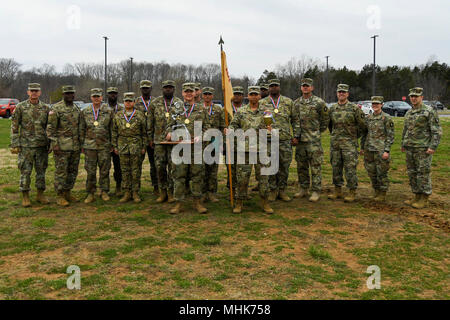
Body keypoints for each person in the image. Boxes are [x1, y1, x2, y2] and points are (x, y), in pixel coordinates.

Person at [165, 83, 210, 214]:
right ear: (182, 93)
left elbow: (207, 127)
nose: (189, 94)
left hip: (196, 149)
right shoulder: (175, 109)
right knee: (179, 176)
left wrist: (201, 136)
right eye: (186, 92)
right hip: (180, 149)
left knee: (197, 175)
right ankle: (178, 203)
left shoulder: (201, 109)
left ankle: (197, 203)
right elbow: (168, 126)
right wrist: (169, 134)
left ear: (195, 93)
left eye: (191, 91)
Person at [227, 86, 273, 214]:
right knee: (242, 178)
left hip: (261, 150)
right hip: (244, 150)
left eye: (256, 94)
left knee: (264, 178)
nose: (253, 96)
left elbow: (272, 126)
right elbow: (233, 125)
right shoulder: (241, 111)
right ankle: (239, 202)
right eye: (251, 94)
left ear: (259, 96)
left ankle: (265, 202)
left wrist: (270, 129)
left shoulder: (266, 112)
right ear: (248, 96)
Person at [10, 83, 50, 207]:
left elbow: (49, 127)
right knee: (25, 171)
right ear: (28, 92)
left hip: (41, 146)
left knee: (41, 171)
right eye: (32, 91)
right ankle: (25, 195)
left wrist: (50, 143)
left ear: (40, 93)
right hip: (26, 146)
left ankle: (40, 194)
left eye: (36, 91)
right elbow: (14, 127)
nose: (34, 93)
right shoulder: (21, 107)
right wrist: (14, 144)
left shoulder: (45, 108)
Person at [259, 78, 299, 202]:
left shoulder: (288, 102)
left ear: (279, 87)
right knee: (271, 165)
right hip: (269, 139)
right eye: (271, 86)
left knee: (284, 165)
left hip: (284, 139)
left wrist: (296, 135)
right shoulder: (263, 102)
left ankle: (282, 190)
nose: (274, 88)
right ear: (268, 88)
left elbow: (295, 120)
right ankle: (273, 190)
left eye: (276, 86)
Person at [401, 87, 442, 209]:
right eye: (412, 96)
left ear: (421, 97)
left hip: (423, 148)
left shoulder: (429, 111)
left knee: (423, 173)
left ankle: (424, 197)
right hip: (410, 147)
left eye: (416, 96)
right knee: (412, 172)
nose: (413, 98)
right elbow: (405, 129)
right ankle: (416, 195)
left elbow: (437, 131)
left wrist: (432, 146)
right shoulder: (409, 112)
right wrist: (403, 143)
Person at [327, 84, 366, 202]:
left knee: (350, 169)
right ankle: (337, 190)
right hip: (336, 144)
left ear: (347, 94)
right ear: (337, 94)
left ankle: (352, 191)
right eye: (339, 92)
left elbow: (363, 126)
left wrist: (353, 136)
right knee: (336, 168)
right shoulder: (332, 108)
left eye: (344, 92)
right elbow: (330, 126)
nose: (341, 94)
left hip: (349, 145)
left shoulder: (354, 109)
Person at [292, 78, 329, 202]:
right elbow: (294, 120)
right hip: (300, 141)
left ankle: (316, 191)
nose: (305, 88)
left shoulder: (319, 102)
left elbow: (325, 120)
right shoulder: (296, 103)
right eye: (303, 86)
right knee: (301, 167)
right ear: (301, 88)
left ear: (312, 88)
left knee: (315, 167)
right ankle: (303, 188)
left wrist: (317, 132)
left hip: (313, 141)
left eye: (308, 86)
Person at [148, 80, 183, 203]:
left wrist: (175, 134)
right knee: (159, 167)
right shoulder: (155, 103)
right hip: (158, 141)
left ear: (174, 89)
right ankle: (162, 192)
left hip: (174, 142)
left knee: (173, 167)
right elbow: (150, 122)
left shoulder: (179, 103)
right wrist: (150, 138)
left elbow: (182, 123)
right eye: (166, 88)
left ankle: (171, 192)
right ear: (162, 89)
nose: (168, 89)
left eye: (170, 88)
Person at [47, 85, 82, 206]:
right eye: (67, 93)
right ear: (63, 95)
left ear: (74, 95)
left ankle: (68, 192)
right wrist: (54, 144)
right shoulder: (56, 108)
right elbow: (50, 128)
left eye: (71, 93)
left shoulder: (77, 108)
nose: (69, 95)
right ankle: (60, 195)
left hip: (75, 146)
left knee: (73, 171)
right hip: (61, 146)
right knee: (61, 171)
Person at [80, 88, 114, 203]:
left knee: (105, 170)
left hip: (104, 145)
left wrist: (112, 144)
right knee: (90, 170)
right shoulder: (85, 111)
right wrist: (82, 144)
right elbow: (82, 129)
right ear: (91, 98)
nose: (96, 98)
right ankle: (90, 192)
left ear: (101, 97)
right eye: (94, 96)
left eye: (98, 96)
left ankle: (104, 191)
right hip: (90, 146)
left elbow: (112, 129)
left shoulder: (108, 111)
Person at [112, 92, 147, 203]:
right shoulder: (118, 115)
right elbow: (114, 131)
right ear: (123, 102)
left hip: (135, 145)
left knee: (136, 170)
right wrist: (115, 146)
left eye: (130, 101)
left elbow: (144, 132)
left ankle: (135, 192)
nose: (128, 103)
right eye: (126, 101)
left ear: (134, 102)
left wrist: (144, 146)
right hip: (122, 145)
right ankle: (127, 192)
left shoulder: (140, 115)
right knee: (125, 170)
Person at [360, 96, 394, 202]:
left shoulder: (386, 118)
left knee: (382, 172)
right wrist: (362, 147)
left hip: (381, 150)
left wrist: (387, 150)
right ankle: (376, 191)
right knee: (371, 172)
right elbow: (364, 134)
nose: (375, 105)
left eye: (377, 104)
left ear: (382, 104)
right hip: (369, 150)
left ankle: (382, 193)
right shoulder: (368, 118)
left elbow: (390, 135)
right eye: (373, 103)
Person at [201, 87, 225, 203]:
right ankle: (202, 193)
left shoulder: (218, 109)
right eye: (205, 94)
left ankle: (211, 193)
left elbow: (222, 127)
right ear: (202, 95)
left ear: (212, 96)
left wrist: (221, 143)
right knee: (202, 170)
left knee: (213, 170)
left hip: (215, 142)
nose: (207, 96)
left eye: (209, 94)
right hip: (202, 143)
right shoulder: (198, 109)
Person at [135, 80, 158, 196]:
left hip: (153, 138)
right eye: (143, 88)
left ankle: (156, 187)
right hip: (139, 139)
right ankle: (135, 189)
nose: (145, 90)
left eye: (147, 88)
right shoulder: (135, 103)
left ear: (151, 88)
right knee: (137, 165)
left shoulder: (156, 102)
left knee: (155, 164)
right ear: (140, 89)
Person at [106, 87, 123, 196]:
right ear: (107, 95)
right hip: (105, 142)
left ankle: (119, 187)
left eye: (115, 93)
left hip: (119, 142)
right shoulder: (102, 108)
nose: (113, 95)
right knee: (104, 167)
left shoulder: (122, 109)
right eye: (111, 93)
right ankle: (104, 189)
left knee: (118, 166)